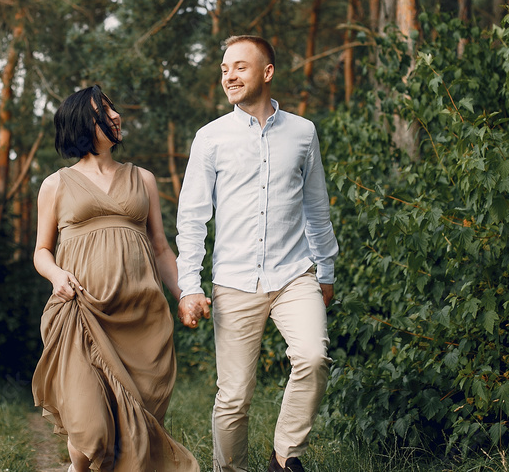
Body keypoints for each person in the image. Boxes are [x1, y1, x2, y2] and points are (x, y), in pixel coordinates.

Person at [175, 36, 339, 472]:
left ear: (266, 73)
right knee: (234, 398)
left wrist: (326, 269)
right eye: (225, 68)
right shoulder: (210, 138)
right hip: (234, 281)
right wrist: (189, 285)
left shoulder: (303, 132)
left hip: (295, 274)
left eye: (240, 67)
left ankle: (285, 457)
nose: (229, 75)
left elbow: (316, 207)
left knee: (313, 357)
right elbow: (192, 217)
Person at [32, 86, 199, 472]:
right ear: (82, 124)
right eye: (103, 111)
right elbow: (42, 251)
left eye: (113, 108)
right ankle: (78, 467)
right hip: (81, 311)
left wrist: (184, 294)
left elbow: (160, 249)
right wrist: (56, 275)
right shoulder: (56, 184)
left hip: (141, 318)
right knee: (91, 428)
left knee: (132, 427)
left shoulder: (143, 179)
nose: (115, 115)